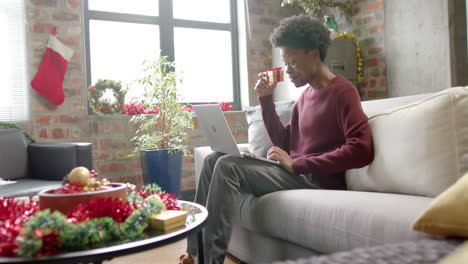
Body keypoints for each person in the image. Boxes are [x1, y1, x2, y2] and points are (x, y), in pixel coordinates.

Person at [178, 14, 374, 264]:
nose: (288, 71)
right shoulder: (305, 97)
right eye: (285, 63)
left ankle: (210, 262)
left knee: (228, 166)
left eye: (292, 62)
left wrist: (299, 164)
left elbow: (362, 149)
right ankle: (194, 255)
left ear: (314, 54)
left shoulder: (342, 91)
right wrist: (265, 100)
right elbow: (283, 140)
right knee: (213, 160)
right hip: (295, 174)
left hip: (315, 179)